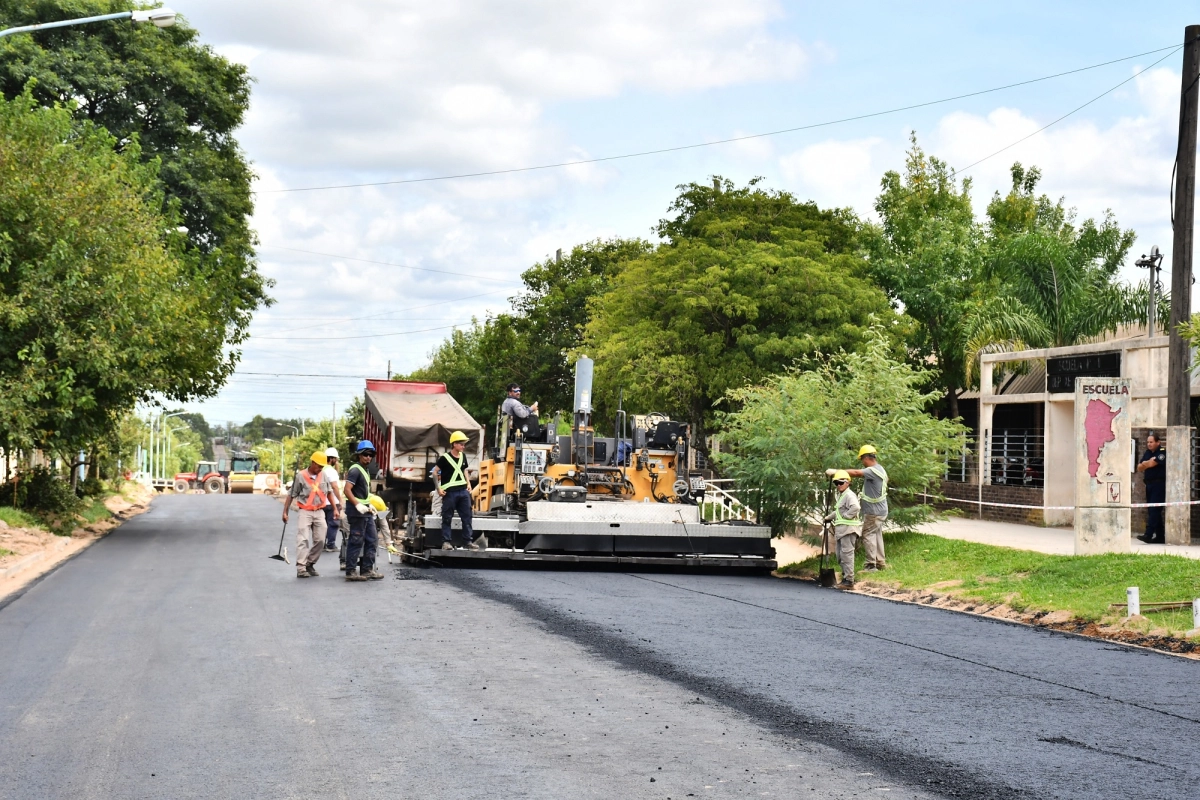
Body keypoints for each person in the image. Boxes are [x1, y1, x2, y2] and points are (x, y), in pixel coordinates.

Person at [282, 451, 335, 579]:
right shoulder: (301, 476)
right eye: (318, 466)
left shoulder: (323, 475)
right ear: (313, 463)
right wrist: (285, 512)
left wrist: (335, 509)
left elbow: (329, 492)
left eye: (322, 467)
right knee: (303, 539)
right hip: (305, 511)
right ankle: (301, 568)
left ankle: (310, 563)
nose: (320, 469)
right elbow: (291, 495)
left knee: (321, 540)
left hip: (319, 511)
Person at [434, 430, 484, 551]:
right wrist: (438, 488)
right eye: (461, 444)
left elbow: (464, 470)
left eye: (464, 444)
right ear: (454, 444)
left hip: (463, 491)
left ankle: (468, 541)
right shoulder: (445, 458)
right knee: (447, 517)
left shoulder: (463, 456)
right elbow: (435, 472)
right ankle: (446, 542)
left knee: (467, 517)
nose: (463, 446)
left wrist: (468, 484)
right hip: (450, 492)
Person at [342, 440, 383, 582]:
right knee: (356, 540)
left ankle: (367, 569)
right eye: (365, 454)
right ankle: (351, 571)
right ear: (359, 455)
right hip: (356, 511)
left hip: (365, 511)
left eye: (371, 455)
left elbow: (362, 493)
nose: (368, 457)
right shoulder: (355, 470)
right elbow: (347, 490)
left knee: (372, 539)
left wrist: (368, 504)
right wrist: (358, 505)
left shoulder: (364, 470)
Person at [846, 444, 888, 571]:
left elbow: (856, 472)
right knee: (876, 534)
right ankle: (880, 562)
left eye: (862, 460)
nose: (862, 463)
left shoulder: (871, 470)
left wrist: (838, 473)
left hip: (873, 512)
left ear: (866, 458)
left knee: (867, 534)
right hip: (881, 510)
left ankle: (870, 565)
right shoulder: (881, 469)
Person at [823, 470, 862, 589]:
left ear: (847, 482)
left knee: (847, 555)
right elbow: (839, 511)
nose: (838, 485)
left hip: (848, 530)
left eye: (840, 482)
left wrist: (847, 516)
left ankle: (849, 581)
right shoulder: (842, 496)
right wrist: (828, 518)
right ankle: (845, 578)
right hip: (841, 531)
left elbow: (855, 507)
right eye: (836, 483)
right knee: (840, 556)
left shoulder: (849, 495)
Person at [1136, 432, 1166, 544]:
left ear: (1158, 442)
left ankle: (1148, 535)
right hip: (1149, 485)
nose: (1149, 444)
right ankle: (1160, 536)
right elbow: (1139, 467)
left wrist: (1146, 463)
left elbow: (1152, 464)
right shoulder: (1148, 453)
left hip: (1159, 485)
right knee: (1152, 510)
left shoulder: (1162, 452)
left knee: (1155, 509)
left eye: (1151, 442)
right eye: (1148, 442)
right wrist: (1147, 462)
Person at [322, 447, 343, 553]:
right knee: (333, 523)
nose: (337, 461)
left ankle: (322, 544)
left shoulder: (321, 469)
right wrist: (340, 500)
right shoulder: (331, 471)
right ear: (332, 459)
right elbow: (334, 486)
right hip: (332, 502)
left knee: (323, 524)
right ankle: (330, 545)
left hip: (322, 502)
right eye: (336, 459)